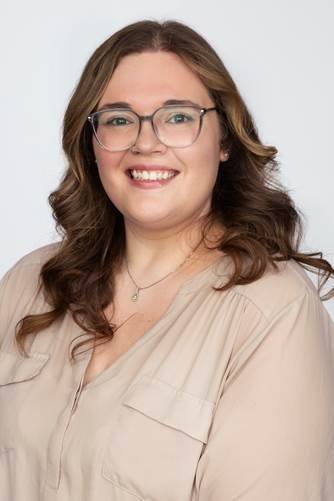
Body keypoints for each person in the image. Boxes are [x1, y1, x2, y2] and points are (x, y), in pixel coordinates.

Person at [0, 18, 333, 501]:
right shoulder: (28, 284)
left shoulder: (270, 313)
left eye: (177, 116)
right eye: (118, 118)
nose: (145, 142)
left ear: (223, 141)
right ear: (91, 144)